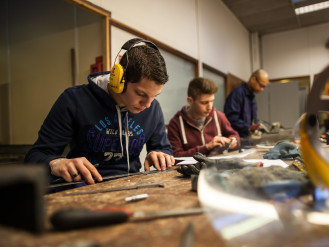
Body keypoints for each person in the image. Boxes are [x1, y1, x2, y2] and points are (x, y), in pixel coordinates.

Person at [24, 38, 175, 185]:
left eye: (154, 96)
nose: (147, 104)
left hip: (132, 187)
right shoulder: (74, 100)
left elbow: (163, 148)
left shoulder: (153, 108)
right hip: (85, 188)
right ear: (119, 79)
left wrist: (161, 155)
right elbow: (35, 156)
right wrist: (56, 163)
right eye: (141, 94)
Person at [167, 77, 240, 157]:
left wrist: (233, 141)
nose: (210, 107)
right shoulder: (175, 124)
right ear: (190, 101)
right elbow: (175, 156)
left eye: (212, 101)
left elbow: (235, 136)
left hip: (218, 167)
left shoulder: (219, 116)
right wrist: (207, 147)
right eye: (204, 103)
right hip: (192, 168)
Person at [224, 69, 269, 138]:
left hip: (248, 139)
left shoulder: (252, 97)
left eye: (264, 87)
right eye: (261, 85)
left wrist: (257, 127)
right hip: (237, 138)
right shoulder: (237, 93)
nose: (262, 89)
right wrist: (249, 128)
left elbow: (253, 120)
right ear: (253, 79)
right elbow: (231, 118)